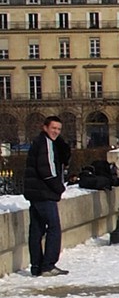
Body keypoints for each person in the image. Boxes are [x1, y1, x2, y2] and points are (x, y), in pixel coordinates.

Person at [24, 115, 70, 277]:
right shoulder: (46, 144)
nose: (56, 132)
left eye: (58, 129)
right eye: (53, 128)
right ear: (45, 127)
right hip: (44, 193)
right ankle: (48, 265)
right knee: (54, 228)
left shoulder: (38, 142)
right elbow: (47, 170)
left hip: (35, 193)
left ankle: (36, 265)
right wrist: (59, 188)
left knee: (36, 229)